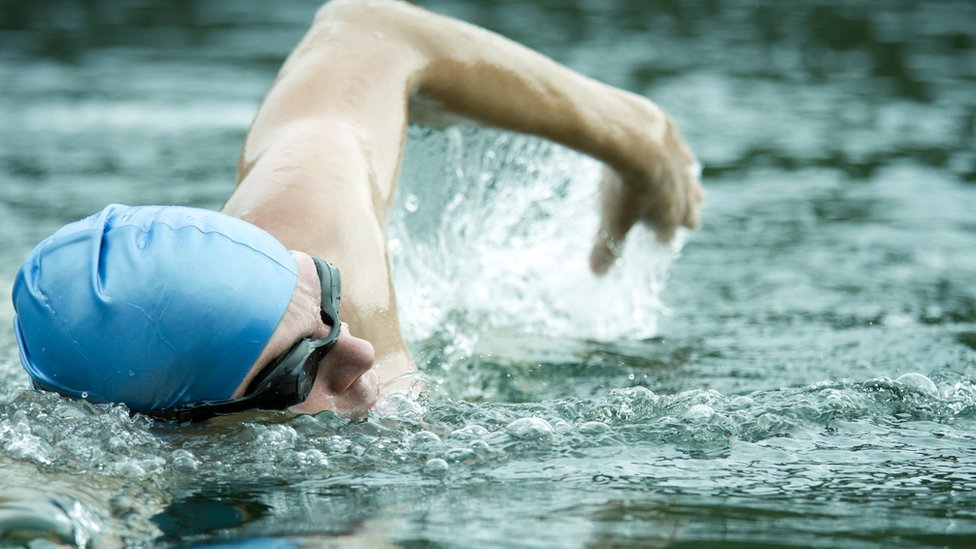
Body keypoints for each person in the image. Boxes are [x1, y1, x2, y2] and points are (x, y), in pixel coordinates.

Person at [11, 0, 703, 422]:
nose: (359, 350)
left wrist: (641, 144)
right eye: (296, 368)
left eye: (323, 304)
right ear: (174, 422)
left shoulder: (318, 231)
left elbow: (367, 28)